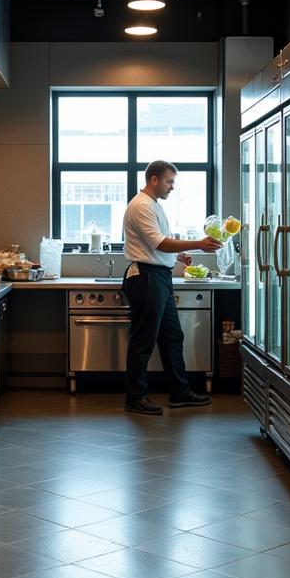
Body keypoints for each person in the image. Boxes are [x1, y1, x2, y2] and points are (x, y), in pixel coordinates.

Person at [122, 160, 222, 415]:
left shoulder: (153, 205)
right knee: (143, 340)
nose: (172, 187)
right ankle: (135, 397)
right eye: (169, 181)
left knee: (172, 336)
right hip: (146, 277)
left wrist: (176, 257)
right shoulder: (141, 205)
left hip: (158, 276)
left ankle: (179, 392)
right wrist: (198, 244)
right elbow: (158, 243)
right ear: (153, 180)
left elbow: (157, 245)